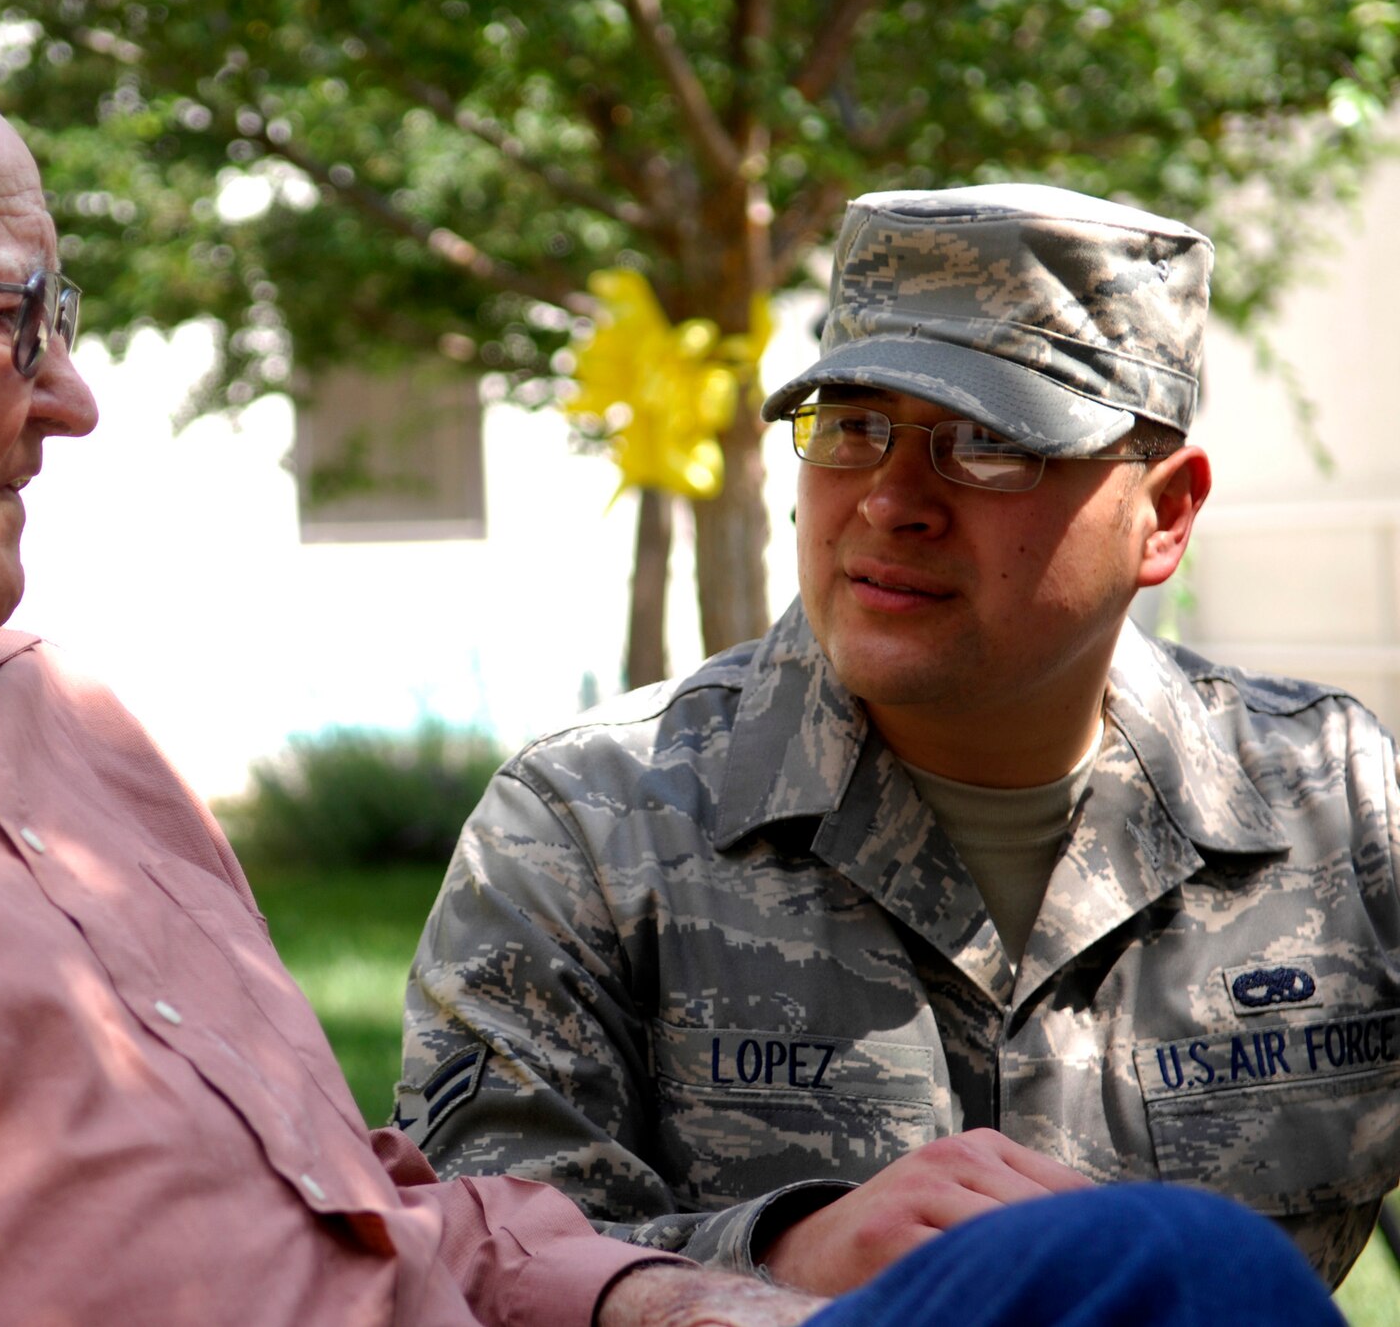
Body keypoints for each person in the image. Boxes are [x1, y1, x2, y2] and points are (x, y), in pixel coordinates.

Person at [0, 0, 1346, 1326]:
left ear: (1159, 511)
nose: (71, 399)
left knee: (1150, 1275)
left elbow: (385, 1211)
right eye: (17, 319)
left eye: (988, 446)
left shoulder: (59, 724)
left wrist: (696, 1294)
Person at [399, 183, 1400, 1299]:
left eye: (986, 443)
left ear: (1159, 515)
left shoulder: (1334, 805)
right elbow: (454, 1265)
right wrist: (781, 1259)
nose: (889, 499)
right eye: (851, 426)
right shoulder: (588, 824)